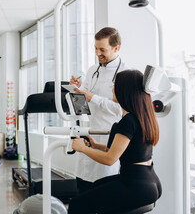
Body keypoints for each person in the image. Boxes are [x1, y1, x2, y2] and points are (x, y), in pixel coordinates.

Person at [67, 70, 162, 214]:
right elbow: (129, 150)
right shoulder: (142, 116)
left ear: (123, 90)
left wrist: (82, 148)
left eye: (115, 85)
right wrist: (96, 146)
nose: (112, 89)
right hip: (149, 180)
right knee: (96, 187)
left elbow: (110, 159)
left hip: (136, 185)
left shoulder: (128, 121)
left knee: (76, 205)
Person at [69, 27, 128, 193]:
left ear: (116, 48)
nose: (98, 53)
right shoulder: (92, 70)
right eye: (95, 48)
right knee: (82, 186)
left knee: (103, 191)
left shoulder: (125, 73)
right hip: (90, 134)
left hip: (109, 138)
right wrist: (76, 91)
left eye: (102, 49)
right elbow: (82, 107)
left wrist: (92, 97)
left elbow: (121, 110)